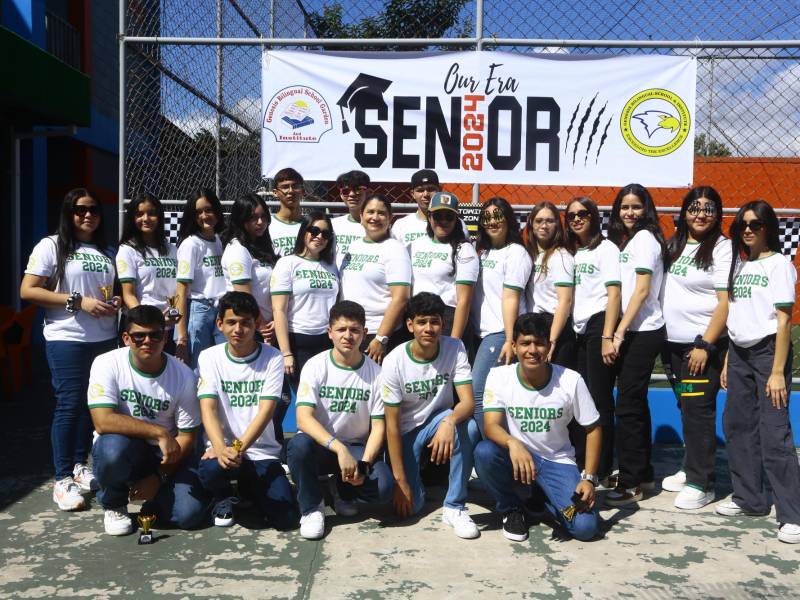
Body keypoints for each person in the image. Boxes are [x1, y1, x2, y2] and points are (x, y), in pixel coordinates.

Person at [21, 188, 119, 511]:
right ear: (69, 213)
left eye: (93, 209)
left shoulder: (106, 250)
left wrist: (113, 302)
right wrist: (78, 301)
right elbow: (28, 290)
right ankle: (62, 478)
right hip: (67, 337)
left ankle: (79, 466)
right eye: (80, 210)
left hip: (103, 338)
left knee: (90, 404)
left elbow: (106, 292)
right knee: (68, 404)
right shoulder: (51, 246)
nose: (87, 215)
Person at [475, 312, 601, 542]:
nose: (532, 350)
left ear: (549, 346)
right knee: (484, 452)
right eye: (525, 343)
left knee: (585, 527)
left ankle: (538, 502)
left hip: (557, 461)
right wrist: (513, 443)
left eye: (539, 343)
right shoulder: (498, 376)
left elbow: (593, 428)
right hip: (519, 458)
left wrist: (589, 478)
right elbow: (491, 426)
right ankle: (511, 508)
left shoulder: (571, 380)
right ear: (513, 346)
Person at [717, 200, 800, 545]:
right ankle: (749, 498)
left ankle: (791, 514)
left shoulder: (780, 265)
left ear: (768, 228)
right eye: (742, 225)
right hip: (738, 353)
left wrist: (778, 371)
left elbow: (784, 320)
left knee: (774, 432)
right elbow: (735, 316)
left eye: (755, 224)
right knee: (737, 426)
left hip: (768, 354)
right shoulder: (740, 265)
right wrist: (726, 360)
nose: (747, 229)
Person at [88, 305, 207, 535]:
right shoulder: (106, 363)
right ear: (126, 338)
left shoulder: (184, 376)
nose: (147, 341)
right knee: (111, 446)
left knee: (189, 515)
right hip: (128, 448)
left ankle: (155, 499)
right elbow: (103, 421)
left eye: (155, 335)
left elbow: (187, 437)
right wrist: (158, 432)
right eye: (138, 336)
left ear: (165, 337)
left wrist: (158, 477)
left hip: (168, 457)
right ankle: (114, 503)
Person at [287, 301, 394, 540]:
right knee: (298, 446)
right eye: (342, 329)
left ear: (365, 334)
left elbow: (379, 427)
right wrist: (339, 448)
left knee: (384, 489)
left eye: (354, 330)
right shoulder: (315, 366)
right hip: (322, 447)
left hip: (356, 449)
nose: (348, 336)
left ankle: (342, 489)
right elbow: (303, 419)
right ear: (330, 333)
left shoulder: (377, 374)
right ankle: (312, 508)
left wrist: (364, 464)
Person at [196, 292, 299, 530]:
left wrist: (236, 448)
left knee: (286, 519)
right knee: (211, 467)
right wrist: (221, 448)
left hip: (261, 451)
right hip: (220, 450)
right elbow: (208, 408)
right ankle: (221, 497)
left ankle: (247, 491)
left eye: (246, 323)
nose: (238, 329)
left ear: (256, 324)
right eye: (231, 322)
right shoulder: (209, 357)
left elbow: (266, 412)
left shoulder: (272, 357)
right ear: (220, 324)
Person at [382, 293, 480, 539]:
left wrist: (449, 421)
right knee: (410, 508)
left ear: (442, 324)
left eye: (434, 322)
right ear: (410, 325)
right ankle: (421, 481)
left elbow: (468, 403)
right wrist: (400, 480)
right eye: (422, 322)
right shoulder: (394, 361)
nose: (429, 328)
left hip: (439, 420)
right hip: (406, 431)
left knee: (468, 428)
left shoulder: (454, 347)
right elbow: (391, 426)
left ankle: (454, 506)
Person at [660, 187, 731, 509]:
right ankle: (692, 466)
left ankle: (701, 483)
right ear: (684, 212)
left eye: (708, 209)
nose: (701, 214)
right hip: (672, 346)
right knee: (686, 406)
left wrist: (706, 344)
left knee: (698, 411)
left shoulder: (722, 247)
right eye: (694, 208)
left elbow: (725, 303)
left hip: (699, 347)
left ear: (718, 214)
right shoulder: (674, 245)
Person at [605, 183, 669, 506]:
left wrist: (618, 332)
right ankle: (642, 471)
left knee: (628, 406)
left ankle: (631, 483)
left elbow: (642, 291)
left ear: (647, 209)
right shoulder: (629, 241)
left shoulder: (644, 240)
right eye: (625, 207)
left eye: (636, 207)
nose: (630, 213)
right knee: (635, 403)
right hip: (634, 330)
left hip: (642, 331)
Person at [564, 197, 621, 485]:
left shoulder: (606, 248)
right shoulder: (574, 252)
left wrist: (608, 336)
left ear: (594, 216)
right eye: (571, 215)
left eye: (583, 213)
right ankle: (583, 458)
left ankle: (602, 466)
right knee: (579, 399)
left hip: (599, 325)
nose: (576, 219)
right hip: (577, 329)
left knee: (599, 399)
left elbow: (614, 294)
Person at [271, 210, 340, 441]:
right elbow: (279, 310)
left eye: (325, 234)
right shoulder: (287, 263)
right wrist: (286, 353)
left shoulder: (331, 267)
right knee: (299, 401)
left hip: (325, 342)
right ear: (304, 232)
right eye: (314, 230)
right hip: (297, 342)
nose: (319, 236)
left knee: (323, 402)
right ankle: (289, 452)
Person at [471, 197, 533, 437]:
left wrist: (509, 339)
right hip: (481, 333)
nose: (493, 221)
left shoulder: (516, 253)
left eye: (498, 216)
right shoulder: (483, 253)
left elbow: (510, 298)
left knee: (479, 393)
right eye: (487, 217)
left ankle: (494, 451)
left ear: (508, 219)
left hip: (500, 334)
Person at [340, 194, 412, 364]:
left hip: (375, 334)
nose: (375, 217)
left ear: (390, 218)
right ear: (361, 216)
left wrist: (381, 338)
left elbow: (401, 298)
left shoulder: (395, 249)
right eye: (370, 212)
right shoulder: (353, 247)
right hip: (349, 332)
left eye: (381, 213)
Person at [410, 192, 479, 339]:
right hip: (416, 316)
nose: (443, 221)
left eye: (449, 217)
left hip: (445, 320)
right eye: (438, 216)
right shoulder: (415, 245)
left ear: (456, 220)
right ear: (429, 217)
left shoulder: (464, 250)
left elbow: (464, 301)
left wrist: (455, 341)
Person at [117, 192, 178, 353]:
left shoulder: (172, 249)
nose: (146, 218)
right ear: (132, 218)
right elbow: (128, 294)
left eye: (151, 213)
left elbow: (180, 289)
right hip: (141, 328)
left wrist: (175, 311)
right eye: (139, 214)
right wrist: (150, 321)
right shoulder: (128, 250)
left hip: (170, 328)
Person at [174, 188, 226, 367]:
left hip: (220, 308)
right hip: (199, 311)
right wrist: (181, 336)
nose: (204, 216)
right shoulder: (190, 245)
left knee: (221, 365)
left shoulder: (219, 240)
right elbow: (180, 290)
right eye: (198, 212)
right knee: (199, 369)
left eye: (209, 210)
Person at [524, 201, 576, 367]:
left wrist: (551, 341)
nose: (544, 226)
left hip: (554, 328)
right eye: (539, 221)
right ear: (531, 224)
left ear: (557, 225)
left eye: (549, 221)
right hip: (534, 325)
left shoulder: (561, 256)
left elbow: (565, 301)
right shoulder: (530, 255)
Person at [221, 193, 279, 343]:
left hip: (267, 326)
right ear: (241, 220)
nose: (260, 222)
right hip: (249, 328)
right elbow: (245, 298)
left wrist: (276, 321)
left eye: (264, 216)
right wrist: (264, 328)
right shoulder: (237, 249)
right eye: (253, 217)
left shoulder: (261, 246)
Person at [391, 169, 469, 249]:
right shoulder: (400, 225)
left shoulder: (456, 224)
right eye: (420, 190)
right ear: (412, 194)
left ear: (439, 190)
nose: (426, 194)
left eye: (431, 189)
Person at [332, 170, 369, 263]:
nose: (352, 194)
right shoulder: (332, 225)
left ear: (368, 192)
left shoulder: (376, 226)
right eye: (346, 191)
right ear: (341, 195)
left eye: (358, 189)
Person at [269, 167, 305, 257]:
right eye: (285, 187)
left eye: (295, 186)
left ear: (303, 191)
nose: (291, 191)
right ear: (275, 193)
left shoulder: (312, 225)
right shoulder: (266, 225)